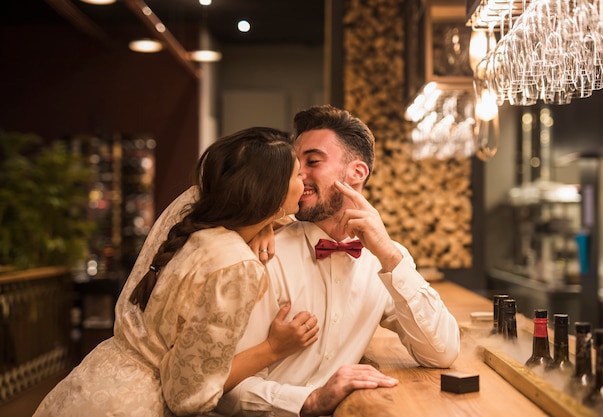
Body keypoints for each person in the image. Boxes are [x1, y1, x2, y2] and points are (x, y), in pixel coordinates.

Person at [33, 127, 319, 417]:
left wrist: (267, 222)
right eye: (297, 174)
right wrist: (273, 348)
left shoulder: (190, 208)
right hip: (136, 405)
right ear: (269, 191)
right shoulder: (237, 267)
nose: (305, 179)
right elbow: (187, 395)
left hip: (92, 381)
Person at [214, 105, 461, 417]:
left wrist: (388, 254)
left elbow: (442, 352)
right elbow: (219, 386)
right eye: (295, 162)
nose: (298, 173)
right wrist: (311, 400)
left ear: (357, 172)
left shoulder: (384, 260)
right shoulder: (264, 254)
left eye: (312, 161)